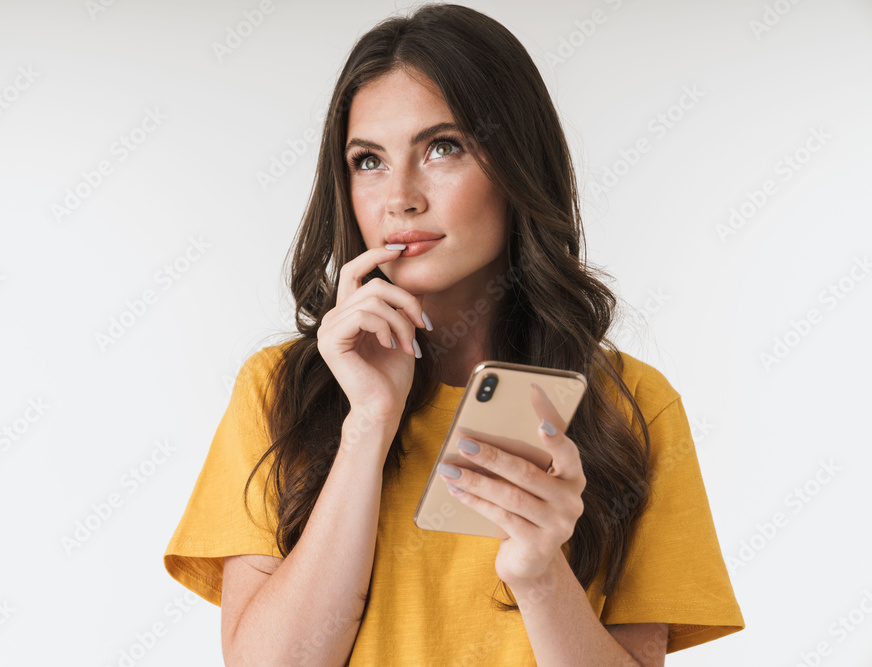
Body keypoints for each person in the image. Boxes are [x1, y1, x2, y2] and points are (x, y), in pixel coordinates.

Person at [163, 3, 745, 664]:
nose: (399, 198)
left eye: (443, 147)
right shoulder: (278, 390)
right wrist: (368, 423)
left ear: (518, 165)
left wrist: (539, 574)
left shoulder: (630, 405)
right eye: (368, 160)